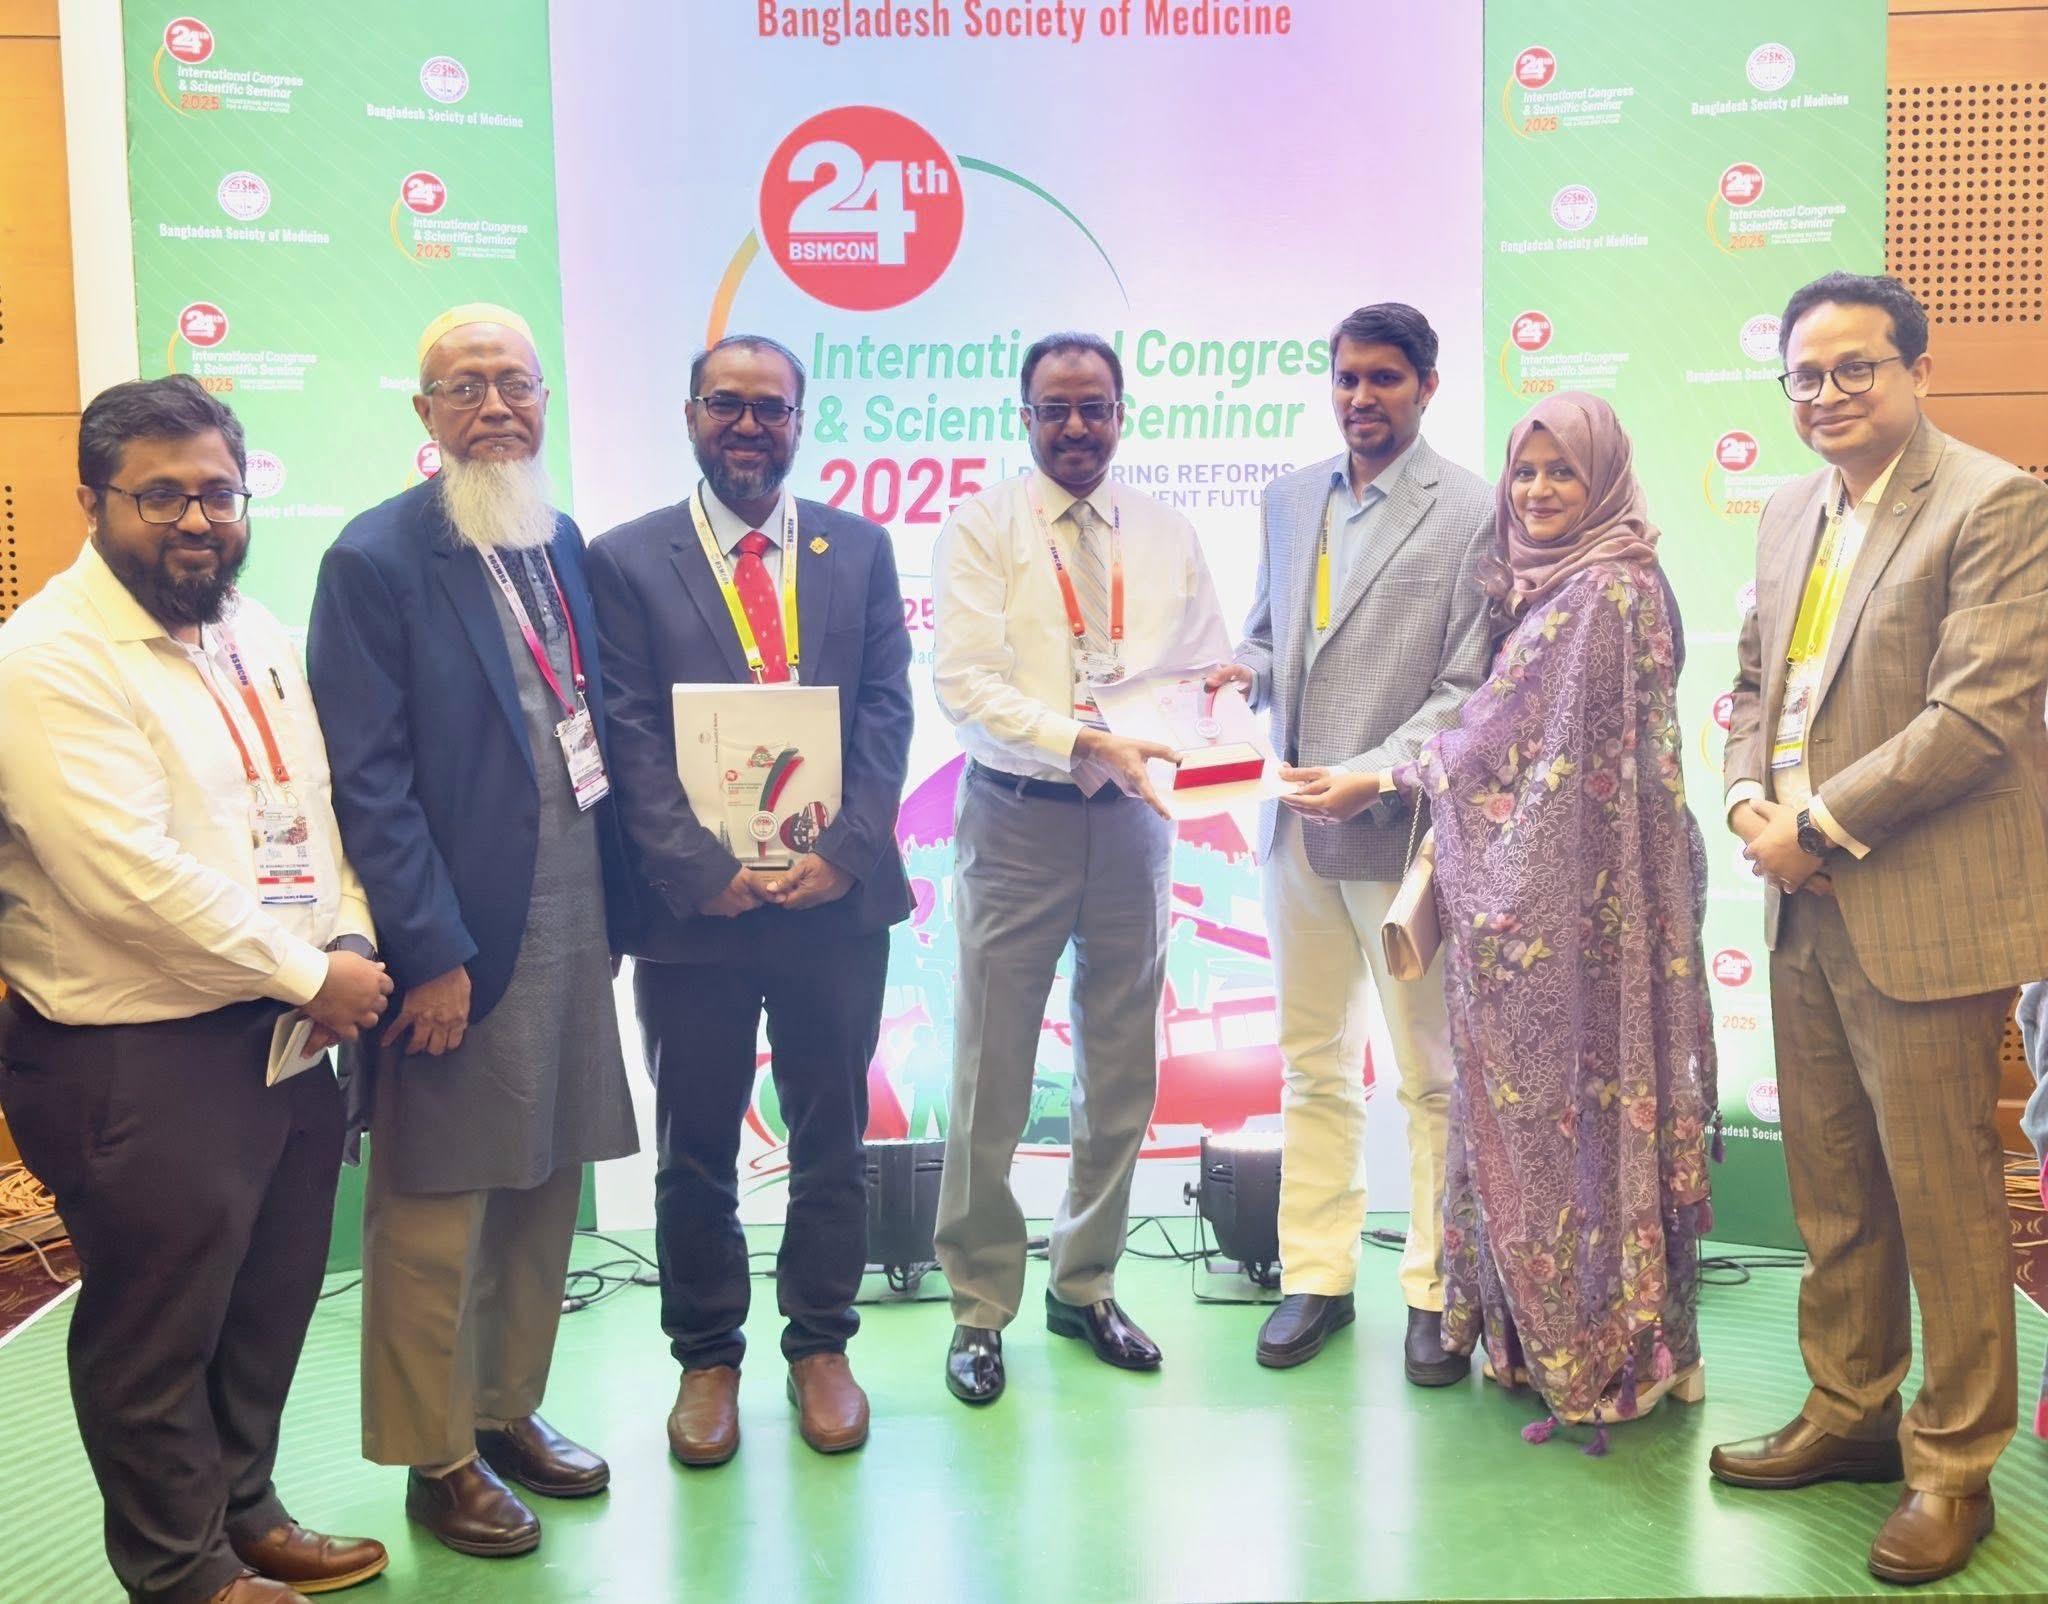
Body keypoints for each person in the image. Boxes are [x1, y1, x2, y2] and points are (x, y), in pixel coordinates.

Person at [0, 376, 392, 1604]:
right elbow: (126, 878)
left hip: (283, 1033)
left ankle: (244, 1512)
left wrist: (346, 932)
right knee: (155, 1330)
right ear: (93, 501)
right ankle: (180, 1572)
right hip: (137, 1056)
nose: (196, 520)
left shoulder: (250, 629)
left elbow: (317, 809)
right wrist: (313, 973)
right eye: (159, 495)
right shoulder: (47, 658)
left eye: (218, 493)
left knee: (266, 1299)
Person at [1294, 392, 1720, 1432]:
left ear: (1603, 477)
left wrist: (1380, 778)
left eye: (1561, 471)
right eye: (1524, 471)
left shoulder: (1605, 589)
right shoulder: (1567, 579)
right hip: (1573, 898)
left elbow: (1499, 736)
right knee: (1576, 1117)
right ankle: (1595, 1338)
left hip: (1580, 915)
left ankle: (1602, 1349)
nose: (1535, 491)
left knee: (1572, 1118)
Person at [1712, 271, 2048, 1585]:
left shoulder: (1993, 501)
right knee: (1834, 1182)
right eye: (1805, 375)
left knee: (1945, 1198)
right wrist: (1745, 797)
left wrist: (1816, 822)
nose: (1829, 394)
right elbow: (1757, 682)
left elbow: (1977, 717)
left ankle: (1952, 1466)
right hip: (1799, 899)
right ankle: (1850, 1412)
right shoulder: (1788, 508)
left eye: (1856, 367)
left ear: (1915, 369)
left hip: (1919, 902)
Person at [307, 305, 638, 1559]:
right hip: (456, 942)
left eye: (515, 383)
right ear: (425, 411)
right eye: (465, 385)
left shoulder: (558, 540)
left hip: (573, 918)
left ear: (544, 400)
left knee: (544, 1185)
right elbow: (369, 782)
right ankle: (433, 1454)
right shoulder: (374, 559)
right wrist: (429, 952)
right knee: (436, 1210)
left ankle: (504, 1406)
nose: (495, 406)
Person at [586, 333, 913, 1467]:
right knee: (694, 1147)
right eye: (726, 405)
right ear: (689, 416)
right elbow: (626, 732)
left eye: (771, 408)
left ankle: (820, 1345)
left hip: (833, 905)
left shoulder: (856, 547)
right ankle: (707, 1358)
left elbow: (886, 709)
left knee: (831, 1135)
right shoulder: (626, 558)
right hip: (696, 915)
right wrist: (696, 868)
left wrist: (849, 851)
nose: (748, 426)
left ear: (798, 422)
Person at [930, 331, 1230, 1404]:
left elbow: (1201, 665)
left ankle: (1085, 1280)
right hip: (1019, 814)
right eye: (1053, 408)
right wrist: (1083, 739)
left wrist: (1220, 702)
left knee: (1120, 1065)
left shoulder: (1163, 530)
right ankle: (978, 1303)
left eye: (1093, 406)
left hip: (1135, 822)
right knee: (991, 1069)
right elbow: (964, 683)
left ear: (1120, 414)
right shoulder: (982, 526)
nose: (1074, 426)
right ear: (1024, 417)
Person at [1208, 303, 1492, 1380]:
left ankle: (1433, 1291)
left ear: (1426, 385)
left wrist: (1373, 771)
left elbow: (1466, 688)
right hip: (1290, 825)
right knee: (1312, 1066)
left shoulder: (1471, 508)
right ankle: (1316, 1276)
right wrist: (1238, 671)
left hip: (1398, 834)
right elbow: (1271, 637)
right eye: (1345, 378)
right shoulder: (1290, 499)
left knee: (1429, 1077)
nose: (1360, 397)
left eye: (1383, 378)